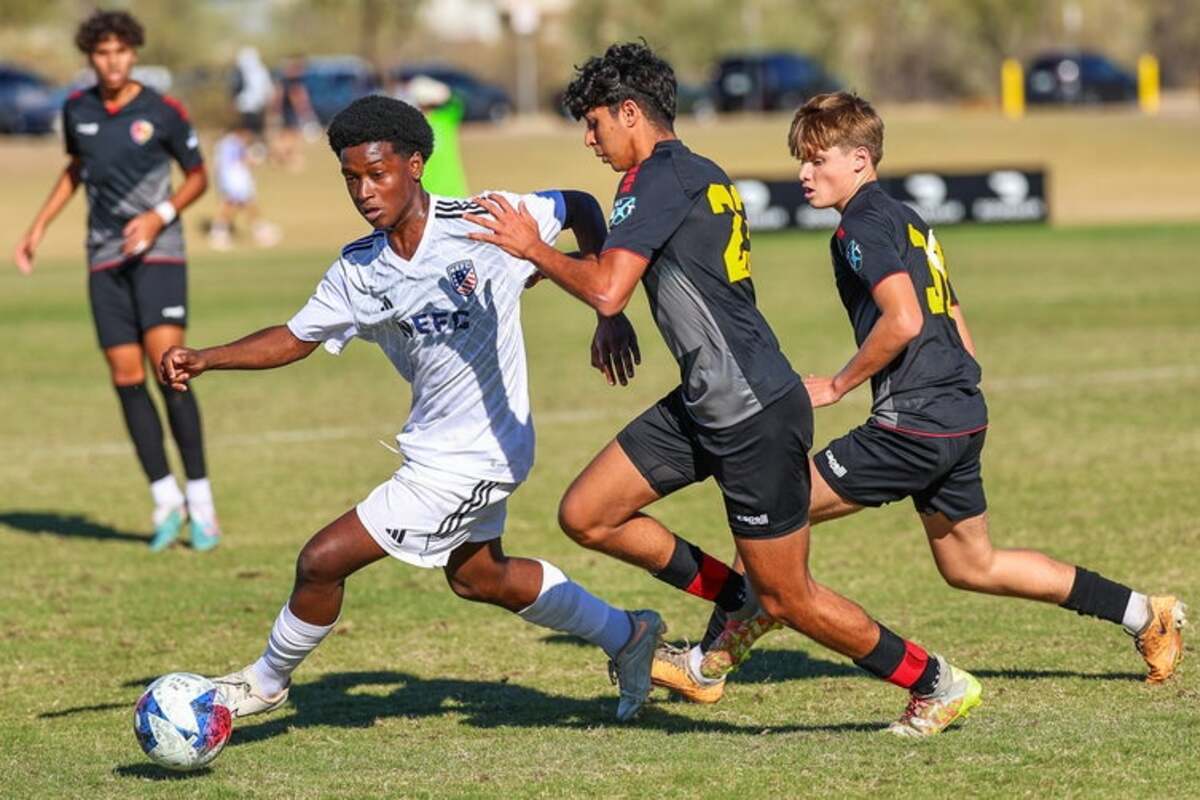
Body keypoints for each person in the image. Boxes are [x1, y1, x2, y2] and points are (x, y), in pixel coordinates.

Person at [466, 42, 980, 737]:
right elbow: (629, 280)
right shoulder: (695, 172)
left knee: (791, 597)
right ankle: (739, 600)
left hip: (752, 411)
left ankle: (934, 681)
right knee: (588, 513)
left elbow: (611, 284)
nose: (589, 139)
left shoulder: (657, 180)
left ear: (629, 112)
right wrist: (609, 317)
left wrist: (534, 249)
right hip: (708, 396)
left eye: (594, 123)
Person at [651, 91, 1188, 706]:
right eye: (801, 160)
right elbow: (949, 309)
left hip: (913, 424)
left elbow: (905, 319)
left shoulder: (859, 226)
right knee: (972, 566)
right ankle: (1144, 613)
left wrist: (839, 384)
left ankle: (707, 664)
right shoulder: (905, 217)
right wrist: (958, 380)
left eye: (817, 159)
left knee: (774, 508)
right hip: (958, 414)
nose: (804, 172)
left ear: (859, 159)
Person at [159, 95, 664, 723]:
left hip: (480, 454)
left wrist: (607, 311)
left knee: (322, 560)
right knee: (478, 577)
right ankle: (628, 634)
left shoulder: (483, 221)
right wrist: (206, 358)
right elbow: (294, 337)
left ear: (415, 165)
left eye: (377, 174)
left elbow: (581, 205)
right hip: (434, 447)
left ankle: (264, 684)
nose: (364, 192)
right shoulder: (359, 269)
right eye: (351, 178)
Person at [12, 9, 219, 551]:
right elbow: (76, 169)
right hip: (103, 257)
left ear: (134, 53)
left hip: (159, 253)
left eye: (121, 51)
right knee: (126, 376)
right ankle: (165, 500)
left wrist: (158, 216)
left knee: (170, 369)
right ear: (91, 57)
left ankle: (202, 504)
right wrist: (38, 226)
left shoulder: (162, 110)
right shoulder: (76, 109)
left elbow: (199, 177)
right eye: (103, 53)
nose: (112, 62)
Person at [209, 122, 281, 250]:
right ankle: (222, 233)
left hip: (229, 178)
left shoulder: (225, 142)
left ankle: (257, 229)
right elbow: (242, 160)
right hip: (235, 179)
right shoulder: (234, 143)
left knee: (241, 203)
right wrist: (258, 159)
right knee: (235, 203)